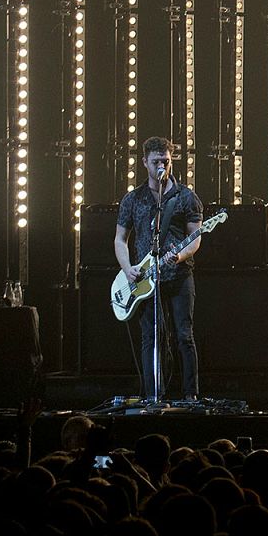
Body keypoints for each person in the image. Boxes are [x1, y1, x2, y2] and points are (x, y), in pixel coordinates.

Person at [114, 136, 204, 399]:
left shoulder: (186, 197)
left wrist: (179, 256)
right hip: (143, 278)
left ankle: (190, 395)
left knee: (184, 336)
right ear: (145, 163)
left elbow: (196, 237)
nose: (162, 166)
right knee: (151, 338)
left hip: (178, 275)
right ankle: (154, 395)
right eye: (156, 162)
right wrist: (127, 267)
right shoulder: (133, 199)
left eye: (166, 161)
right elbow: (120, 239)